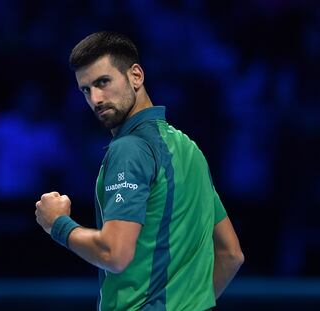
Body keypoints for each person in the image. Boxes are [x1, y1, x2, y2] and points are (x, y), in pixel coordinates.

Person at [35, 31, 244, 311]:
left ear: (136, 76)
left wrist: (57, 224)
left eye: (103, 82)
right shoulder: (189, 148)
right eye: (86, 90)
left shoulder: (129, 149)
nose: (95, 99)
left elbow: (114, 253)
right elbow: (231, 255)